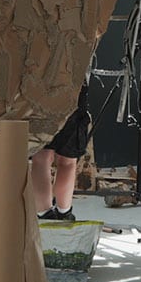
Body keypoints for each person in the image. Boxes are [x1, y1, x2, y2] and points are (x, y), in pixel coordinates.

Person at [30, 80, 90, 220]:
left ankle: (44, 214)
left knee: (41, 157)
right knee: (67, 160)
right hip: (73, 85)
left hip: (39, 82)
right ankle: (64, 213)